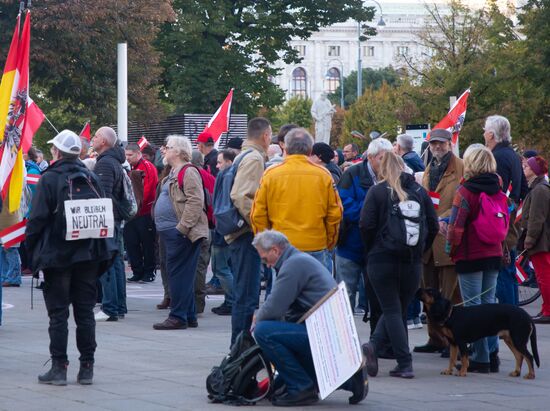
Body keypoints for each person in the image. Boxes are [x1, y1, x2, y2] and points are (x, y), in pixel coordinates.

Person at [26, 130, 117, 386]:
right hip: (88, 255)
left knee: (58, 314)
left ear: (56, 152)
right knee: (85, 313)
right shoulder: (91, 176)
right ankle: (86, 367)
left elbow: (37, 219)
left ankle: (59, 368)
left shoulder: (50, 179)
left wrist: (32, 250)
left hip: (58, 256)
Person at [252, 230, 368, 407]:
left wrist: (255, 321)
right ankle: (350, 380)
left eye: (265, 259)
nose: (266, 265)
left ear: (275, 250)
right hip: (328, 332)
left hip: (325, 335)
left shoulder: (293, 265)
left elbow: (274, 307)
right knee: (279, 334)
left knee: (263, 331)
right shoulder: (297, 260)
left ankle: (301, 387)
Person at [360, 152, 438, 379]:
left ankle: (402, 362)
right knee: (398, 310)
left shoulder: (377, 191)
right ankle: (375, 347)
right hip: (412, 261)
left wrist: (372, 249)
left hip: (382, 259)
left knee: (392, 309)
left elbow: (365, 224)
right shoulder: (419, 191)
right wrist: (420, 250)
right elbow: (433, 226)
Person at [446, 144, 508, 373]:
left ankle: (480, 358)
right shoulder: (498, 188)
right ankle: (492, 355)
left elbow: (455, 228)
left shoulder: (465, 191)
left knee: (473, 308)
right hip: (493, 252)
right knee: (489, 305)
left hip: (470, 255)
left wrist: (449, 244)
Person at [251, 128, 342, 272]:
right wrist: (328, 242)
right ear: (310, 149)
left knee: (285, 292)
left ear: (285, 147)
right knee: (318, 293)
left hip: (282, 248)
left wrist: (267, 244)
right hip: (316, 245)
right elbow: (335, 214)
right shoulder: (323, 174)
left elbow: (258, 214)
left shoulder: (271, 174)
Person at [414, 128, 464, 354]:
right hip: (428, 240)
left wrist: (446, 217)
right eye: (433, 143)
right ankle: (435, 338)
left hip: (447, 238)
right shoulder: (428, 169)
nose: (437, 147)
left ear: (449, 144)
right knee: (429, 293)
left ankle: (453, 339)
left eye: (441, 143)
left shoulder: (461, 167)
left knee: (450, 293)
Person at [153, 135, 208, 330]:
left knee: (178, 275)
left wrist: (182, 228)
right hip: (172, 232)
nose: (164, 150)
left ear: (178, 151)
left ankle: (178, 316)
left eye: (167, 147)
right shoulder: (174, 171)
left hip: (181, 233)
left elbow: (195, 200)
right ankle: (189, 314)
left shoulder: (188, 171)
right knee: (182, 274)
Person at [336, 138, 393, 324]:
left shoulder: (393, 175)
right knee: (346, 294)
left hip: (379, 247)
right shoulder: (352, 174)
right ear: (370, 157)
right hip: (350, 245)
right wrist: (372, 212)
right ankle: (344, 341)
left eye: (389, 159)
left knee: (378, 296)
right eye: (381, 159)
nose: (385, 164)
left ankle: (377, 343)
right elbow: (343, 204)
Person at [226, 117, 271, 345]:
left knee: (245, 293)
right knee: (247, 295)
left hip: (241, 234)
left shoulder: (244, 156)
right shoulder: (253, 158)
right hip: (246, 235)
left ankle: (239, 345)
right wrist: (260, 229)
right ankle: (240, 348)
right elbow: (241, 196)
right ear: (265, 136)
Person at [483, 115, 528, 306]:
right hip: (511, 220)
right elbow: (525, 189)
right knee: (508, 272)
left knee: (502, 272)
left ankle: (509, 320)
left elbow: (495, 194)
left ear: (491, 135)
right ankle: (514, 316)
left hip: (500, 222)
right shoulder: (513, 156)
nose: (483, 134)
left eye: (485, 130)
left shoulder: (497, 158)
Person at [92, 127, 127, 322]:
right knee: (116, 262)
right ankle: (118, 306)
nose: (92, 139)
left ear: (104, 141)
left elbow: (102, 195)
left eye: (96, 136)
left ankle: (110, 307)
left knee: (108, 261)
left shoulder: (105, 163)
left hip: (107, 219)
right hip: (114, 217)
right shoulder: (114, 161)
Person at [521, 155, 550, 324]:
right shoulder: (539, 187)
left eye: (527, 167)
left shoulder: (540, 190)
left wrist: (529, 239)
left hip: (541, 242)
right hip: (541, 240)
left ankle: (548, 310)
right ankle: (546, 308)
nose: (524, 169)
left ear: (534, 171)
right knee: (543, 276)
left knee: (544, 277)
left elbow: (536, 218)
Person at [124, 143, 159, 283]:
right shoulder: (130, 167)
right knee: (132, 243)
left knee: (147, 243)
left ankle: (149, 271)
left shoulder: (147, 167)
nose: (127, 158)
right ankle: (137, 271)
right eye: (126, 155)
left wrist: (137, 207)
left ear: (138, 153)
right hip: (132, 213)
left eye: (130, 155)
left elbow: (148, 189)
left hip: (144, 212)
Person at [211, 150, 237, 316]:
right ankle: (231, 300)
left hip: (223, 228)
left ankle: (232, 300)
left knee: (221, 267)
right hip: (223, 227)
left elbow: (224, 203)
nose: (217, 166)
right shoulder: (228, 175)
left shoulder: (227, 176)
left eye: (220, 162)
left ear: (229, 161)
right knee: (222, 267)